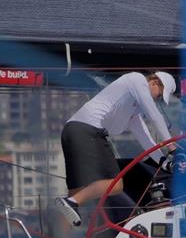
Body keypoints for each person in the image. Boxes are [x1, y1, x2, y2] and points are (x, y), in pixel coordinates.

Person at [55, 71, 176, 227]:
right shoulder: (136, 79)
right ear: (154, 82)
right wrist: (172, 148)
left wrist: (164, 162)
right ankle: (71, 202)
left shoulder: (133, 111)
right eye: (159, 96)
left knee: (77, 191)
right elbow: (154, 115)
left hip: (72, 130)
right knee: (115, 185)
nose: (156, 100)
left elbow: (145, 139)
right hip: (89, 130)